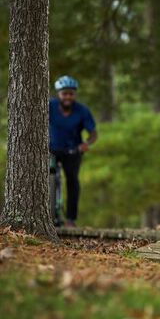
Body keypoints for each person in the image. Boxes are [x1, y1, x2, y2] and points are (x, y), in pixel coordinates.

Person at [49, 75, 97, 227]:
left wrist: (86, 143)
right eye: (65, 93)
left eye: (71, 93)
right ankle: (48, 214)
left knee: (72, 181)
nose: (68, 97)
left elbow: (93, 133)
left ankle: (70, 219)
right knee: (48, 179)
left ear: (74, 94)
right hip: (51, 150)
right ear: (59, 94)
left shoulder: (82, 110)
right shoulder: (49, 105)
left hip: (73, 151)